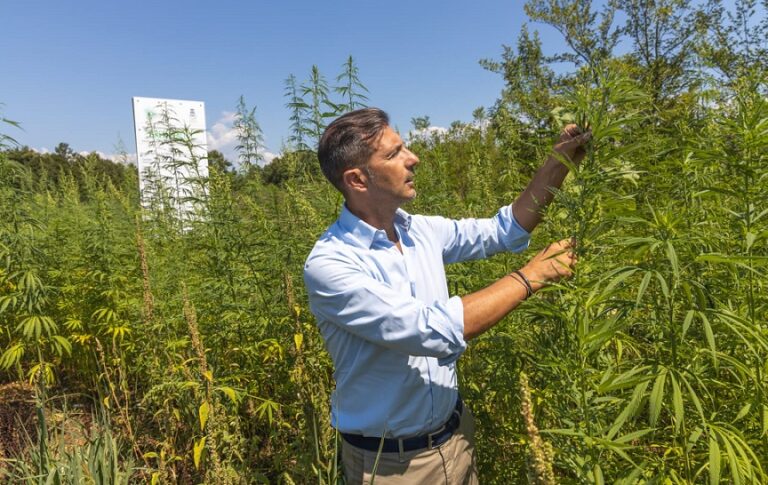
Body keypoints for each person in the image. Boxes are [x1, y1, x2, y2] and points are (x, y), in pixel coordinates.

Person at [303, 108, 589, 484]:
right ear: (357, 179)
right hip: (390, 465)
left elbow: (506, 230)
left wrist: (559, 162)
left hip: (455, 438)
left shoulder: (418, 231)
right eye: (394, 154)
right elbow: (432, 330)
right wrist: (531, 276)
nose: (413, 158)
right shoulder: (331, 265)